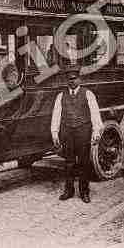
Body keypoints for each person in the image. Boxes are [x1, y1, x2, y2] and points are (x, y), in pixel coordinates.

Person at [50, 66, 103, 203]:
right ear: (66, 81)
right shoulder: (61, 96)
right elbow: (56, 115)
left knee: (84, 162)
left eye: (74, 79)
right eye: (69, 79)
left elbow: (95, 115)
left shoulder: (88, 94)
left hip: (83, 131)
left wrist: (96, 132)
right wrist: (55, 133)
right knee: (69, 163)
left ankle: (84, 192)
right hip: (67, 132)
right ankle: (68, 191)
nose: (72, 82)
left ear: (79, 79)